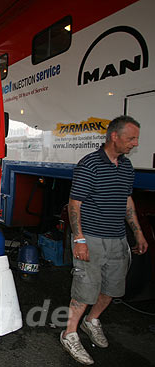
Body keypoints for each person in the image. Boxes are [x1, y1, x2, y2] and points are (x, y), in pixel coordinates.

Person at [60, 115, 149, 365]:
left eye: (136, 139)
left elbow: (126, 200)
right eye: (131, 138)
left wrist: (138, 232)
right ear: (114, 136)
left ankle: (92, 320)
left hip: (117, 239)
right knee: (84, 292)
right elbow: (74, 204)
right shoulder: (90, 164)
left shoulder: (127, 166)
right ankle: (69, 334)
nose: (135, 143)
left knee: (112, 289)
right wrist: (79, 240)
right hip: (91, 238)